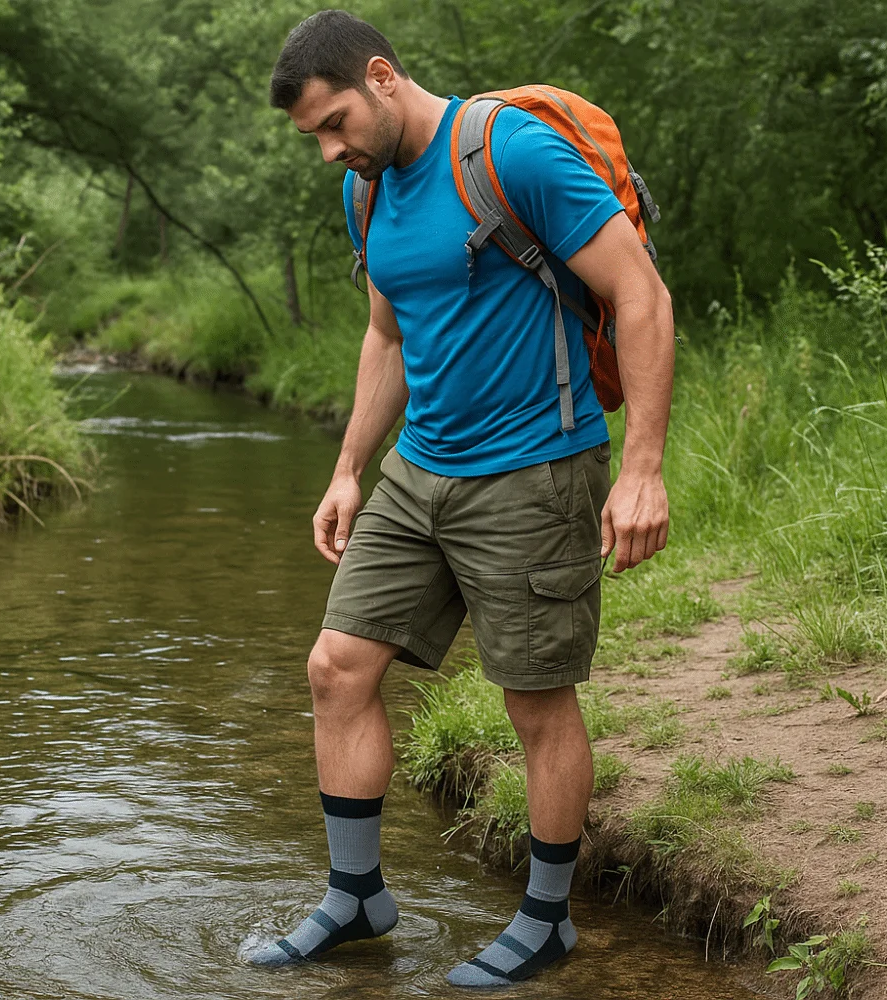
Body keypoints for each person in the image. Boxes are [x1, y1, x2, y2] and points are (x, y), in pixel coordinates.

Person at [245, 8, 674, 988]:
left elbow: (640, 295)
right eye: (314, 136)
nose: (329, 150)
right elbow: (388, 336)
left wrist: (642, 469)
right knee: (336, 669)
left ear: (381, 76)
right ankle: (356, 898)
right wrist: (348, 467)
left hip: (534, 468)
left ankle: (547, 919)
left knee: (535, 701)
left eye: (334, 123)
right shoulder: (365, 189)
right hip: (419, 468)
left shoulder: (510, 153)